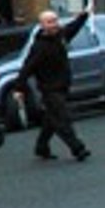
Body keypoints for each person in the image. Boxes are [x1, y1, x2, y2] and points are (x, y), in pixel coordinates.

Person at [16, 9, 92, 161]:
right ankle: (78, 148)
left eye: (55, 21)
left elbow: (73, 27)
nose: (54, 25)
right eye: (49, 22)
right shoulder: (39, 47)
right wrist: (19, 87)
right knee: (62, 119)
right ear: (42, 25)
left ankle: (41, 147)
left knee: (51, 119)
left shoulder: (60, 36)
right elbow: (27, 67)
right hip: (49, 89)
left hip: (63, 85)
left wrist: (84, 15)